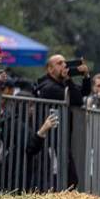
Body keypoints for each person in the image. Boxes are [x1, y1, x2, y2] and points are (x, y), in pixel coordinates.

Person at [34, 55, 91, 188]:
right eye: (59, 63)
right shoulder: (49, 87)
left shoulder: (60, 84)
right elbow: (77, 100)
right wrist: (69, 79)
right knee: (60, 180)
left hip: (60, 140)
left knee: (69, 180)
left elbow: (83, 92)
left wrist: (86, 76)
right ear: (50, 69)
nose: (64, 65)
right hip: (51, 142)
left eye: (65, 63)